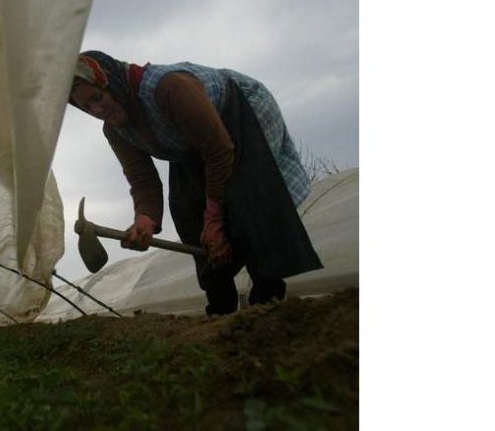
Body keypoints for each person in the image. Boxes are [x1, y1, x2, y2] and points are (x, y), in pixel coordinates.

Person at [68, 50, 323, 316]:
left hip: (236, 114)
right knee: (187, 209)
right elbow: (142, 180)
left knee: (247, 199)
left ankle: (267, 303)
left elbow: (219, 150)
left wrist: (214, 220)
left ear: (113, 84)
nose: (96, 110)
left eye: (97, 98)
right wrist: (145, 219)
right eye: (87, 107)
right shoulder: (115, 129)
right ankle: (220, 306)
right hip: (190, 145)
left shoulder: (170, 88)